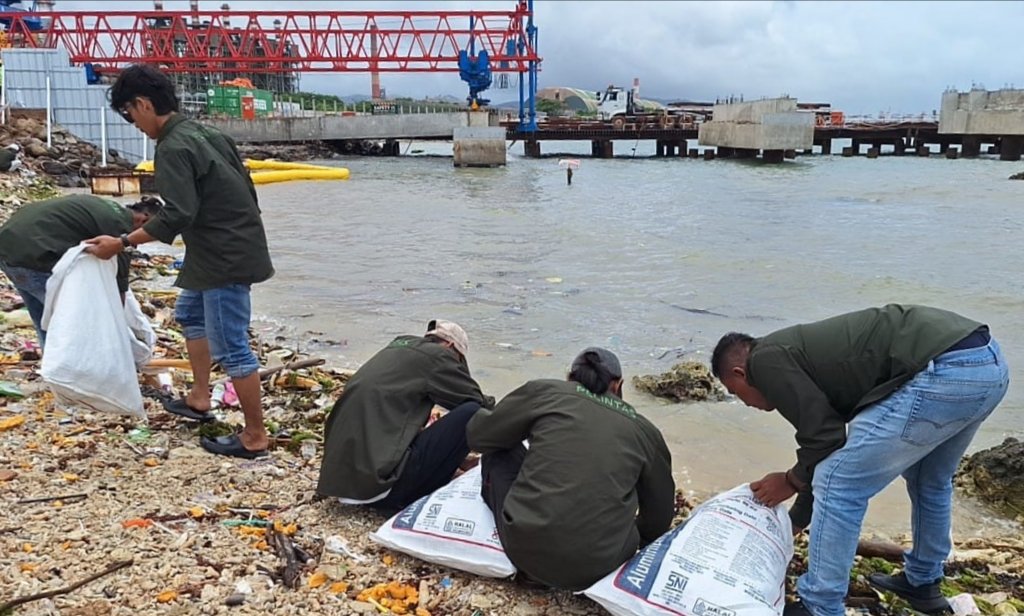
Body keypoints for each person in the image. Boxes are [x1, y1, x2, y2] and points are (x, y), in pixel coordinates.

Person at [710, 304, 1009, 616]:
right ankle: (922, 582)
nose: (744, 403)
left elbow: (825, 439)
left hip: (945, 370)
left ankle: (821, 606)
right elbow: (828, 444)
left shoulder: (764, 361)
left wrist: (789, 481)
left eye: (735, 392)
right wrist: (796, 520)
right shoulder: (797, 357)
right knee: (928, 479)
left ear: (739, 373)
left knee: (838, 484)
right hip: (987, 366)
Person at [84, 64, 275, 460]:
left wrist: (120, 242)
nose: (132, 123)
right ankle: (201, 398)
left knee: (232, 345)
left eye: (129, 114)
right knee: (190, 314)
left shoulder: (173, 147)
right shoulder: (205, 132)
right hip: (223, 247)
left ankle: (256, 436)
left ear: (143, 104)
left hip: (224, 256)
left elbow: (176, 215)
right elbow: (246, 189)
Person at [467, 347, 675, 590]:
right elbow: (659, 515)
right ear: (618, 385)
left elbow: (480, 437)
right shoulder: (645, 431)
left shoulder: (546, 392)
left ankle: (535, 569)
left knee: (499, 450)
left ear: (570, 377)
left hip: (526, 549)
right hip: (601, 564)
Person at [317, 320, 495, 514]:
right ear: (451, 346)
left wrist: (457, 458)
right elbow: (479, 403)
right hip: (379, 489)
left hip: (340, 484)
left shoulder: (396, 350)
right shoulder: (439, 357)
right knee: (472, 411)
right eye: (459, 362)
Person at [0, 194, 162, 347]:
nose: (141, 242)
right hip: (32, 255)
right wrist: (116, 324)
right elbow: (120, 279)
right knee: (70, 322)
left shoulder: (108, 207)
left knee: (44, 318)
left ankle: (52, 370)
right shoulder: (119, 226)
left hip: (8, 249)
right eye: (148, 236)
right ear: (143, 220)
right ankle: (71, 370)